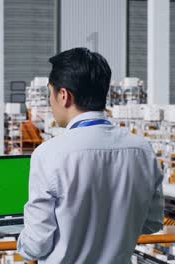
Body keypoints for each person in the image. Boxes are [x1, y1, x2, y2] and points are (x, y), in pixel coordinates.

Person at [17, 47, 164, 263]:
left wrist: (21, 241)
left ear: (64, 95)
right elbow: (152, 223)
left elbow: (37, 244)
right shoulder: (142, 149)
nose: (50, 102)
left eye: (50, 94)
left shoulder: (48, 154)